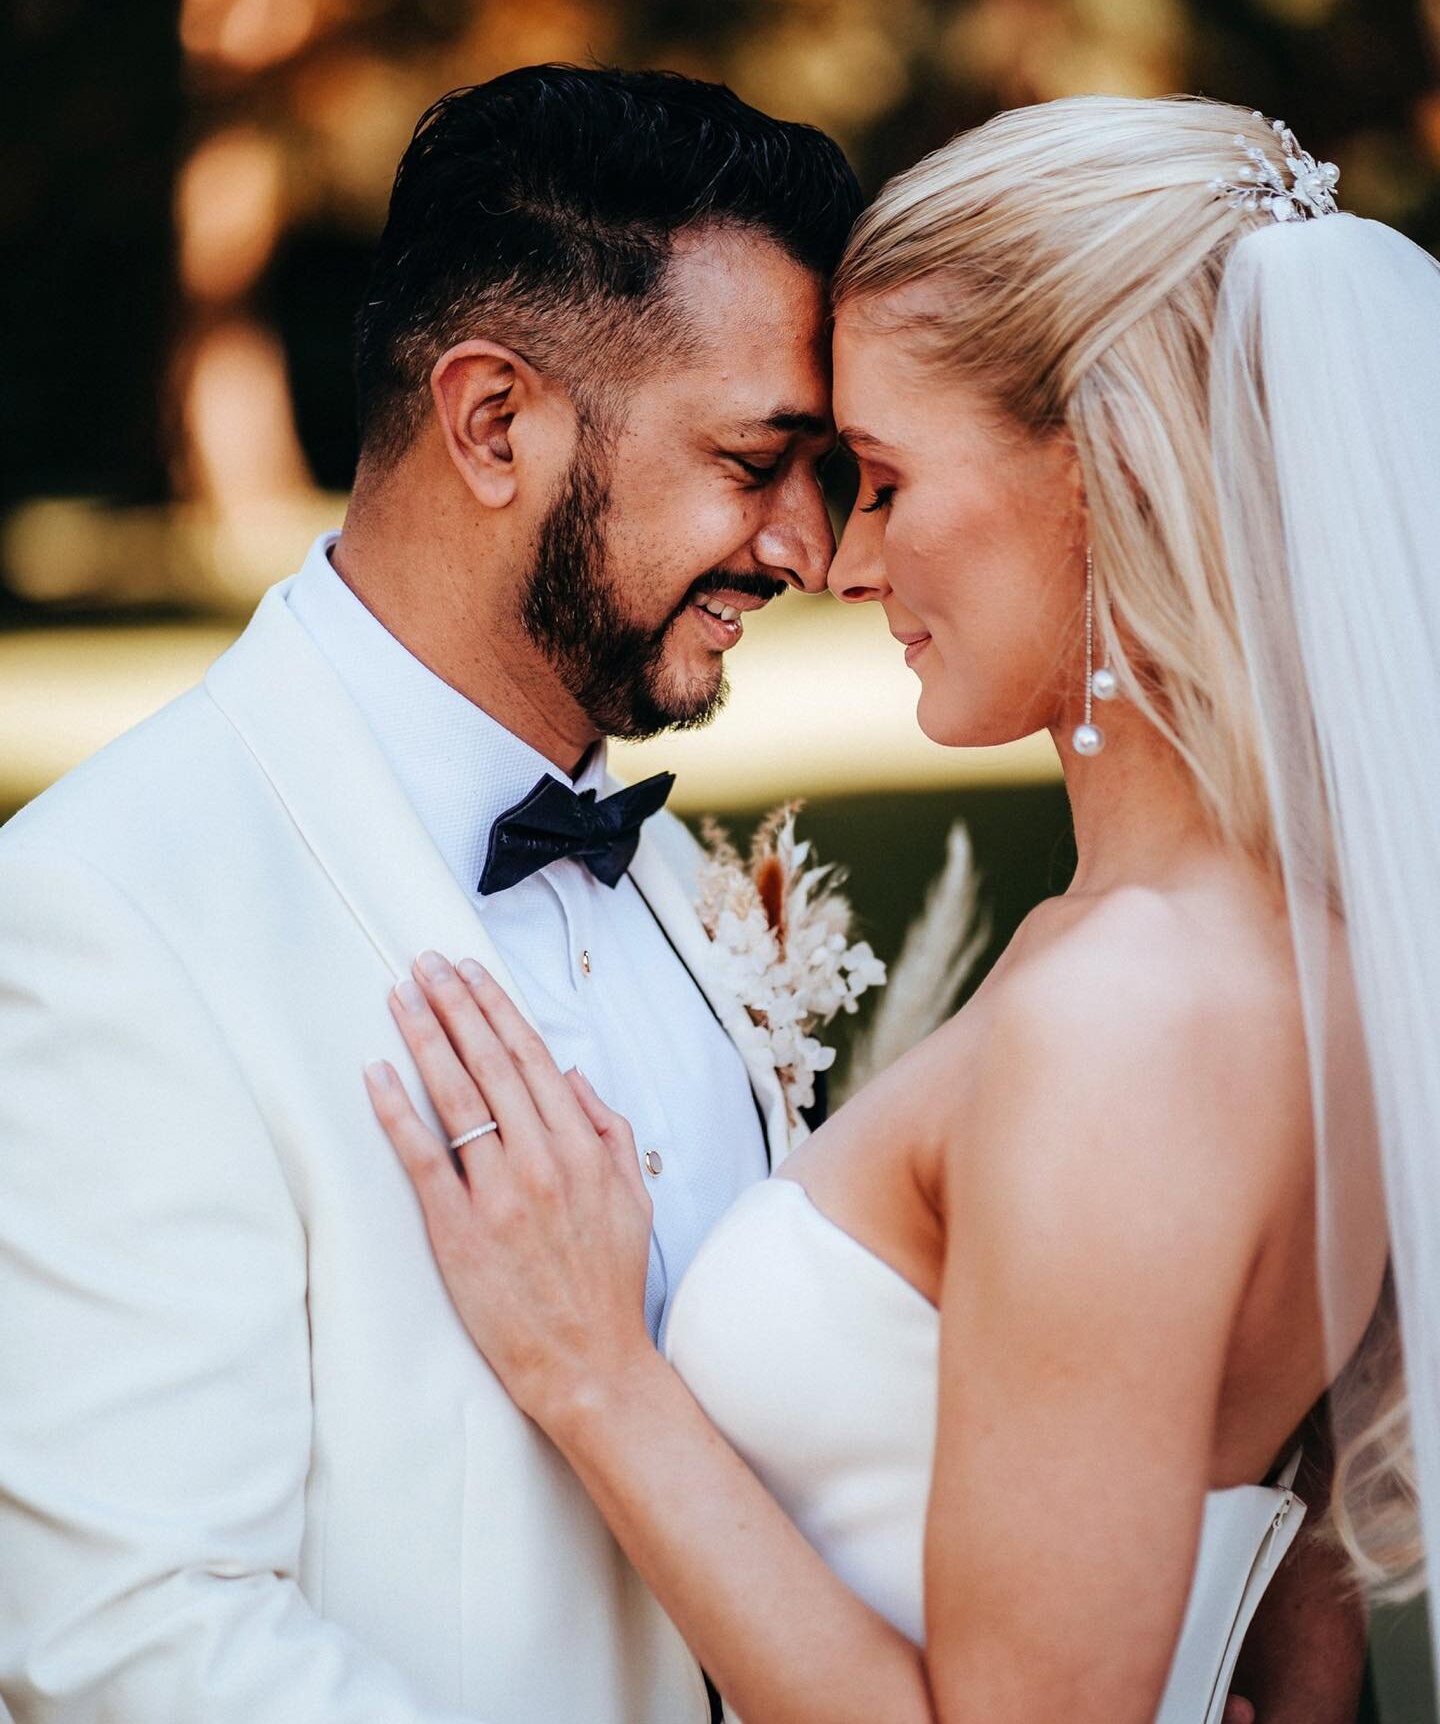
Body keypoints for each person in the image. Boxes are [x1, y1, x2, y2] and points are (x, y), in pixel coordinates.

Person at [365, 95, 1438, 1722]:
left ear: (1113, 472)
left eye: (878, 478)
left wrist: (600, 1380)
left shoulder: (1131, 1016)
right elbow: (1292, 1541)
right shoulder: (1279, 946)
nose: (841, 562)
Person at [0, 66, 857, 1720]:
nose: (807, 550)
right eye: (758, 460)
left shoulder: (679, 877)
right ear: (492, 421)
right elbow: (132, 1645)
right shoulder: (105, 915)